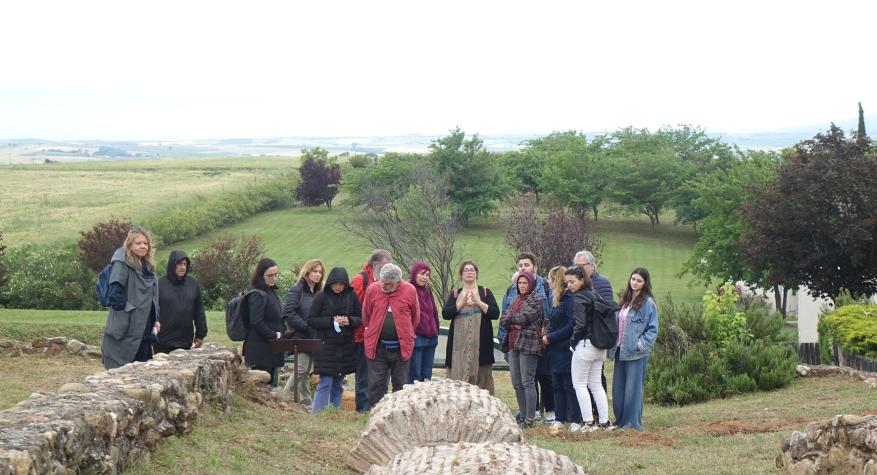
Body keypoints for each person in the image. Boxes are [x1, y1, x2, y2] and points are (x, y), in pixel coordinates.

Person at [499, 253, 553, 419]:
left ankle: (531, 416)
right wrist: (512, 322)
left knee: (529, 381)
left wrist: (513, 320)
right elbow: (504, 319)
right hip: (513, 343)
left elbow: (524, 318)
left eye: (525, 283)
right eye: (519, 283)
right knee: (517, 383)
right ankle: (523, 415)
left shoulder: (536, 298)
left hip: (529, 343)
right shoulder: (514, 297)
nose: (521, 285)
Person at [101, 227, 161, 370]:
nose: (142, 246)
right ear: (129, 245)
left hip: (145, 326)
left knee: (141, 367)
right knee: (122, 367)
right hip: (128, 326)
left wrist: (156, 318)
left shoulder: (148, 267)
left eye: (145, 243)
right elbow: (115, 295)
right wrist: (129, 314)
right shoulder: (122, 264)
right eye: (138, 243)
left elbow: (153, 297)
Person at [361, 263, 420, 406]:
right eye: (382, 282)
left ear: (397, 282)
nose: (383, 286)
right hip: (378, 347)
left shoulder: (410, 290)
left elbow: (415, 316)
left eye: (388, 284)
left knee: (401, 384)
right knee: (376, 384)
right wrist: (370, 330)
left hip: (401, 348)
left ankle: (396, 413)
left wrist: (407, 332)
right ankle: (376, 412)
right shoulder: (373, 289)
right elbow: (366, 314)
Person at [308, 267, 361, 413]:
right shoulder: (321, 296)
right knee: (325, 381)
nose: (338, 286)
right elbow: (311, 320)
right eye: (336, 283)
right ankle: (318, 414)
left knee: (338, 383)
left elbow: (360, 318)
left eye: (341, 284)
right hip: (326, 346)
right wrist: (332, 321)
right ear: (330, 283)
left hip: (345, 347)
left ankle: (334, 413)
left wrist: (349, 320)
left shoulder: (352, 296)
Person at [442, 260, 500, 392]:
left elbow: (495, 314)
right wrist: (461, 304)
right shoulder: (455, 294)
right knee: (457, 382)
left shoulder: (485, 292)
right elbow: (446, 314)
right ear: (461, 274)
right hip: (458, 348)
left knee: (483, 380)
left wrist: (479, 302)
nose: (469, 272)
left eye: (472, 270)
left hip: (481, 346)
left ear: (476, 273)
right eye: (466, 270)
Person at [612, 267, 659, 431]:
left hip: (636, 353)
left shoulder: (648, 303)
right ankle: (620, 421)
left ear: (645, 283)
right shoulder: (625, 300)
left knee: (633, 389)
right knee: (618, 388)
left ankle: (632, 424)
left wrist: (641, 345)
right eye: (633, 279)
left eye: (639, 280)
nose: (635, 283)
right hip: (620, 350)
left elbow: (653, 329)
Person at [568, 266, 614, 431]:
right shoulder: (595, 294)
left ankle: (588, 422)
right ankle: (604, 421)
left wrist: (573, 342)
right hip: (600, 346)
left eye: (572, 281)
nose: (569, 285)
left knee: (579, 385)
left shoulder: (579, 298)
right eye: (567, 282)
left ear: (582, 280)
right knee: (596, 384)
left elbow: (580, 324)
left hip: (585, 344)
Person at [350, 249, 392, 412]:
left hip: (383, 337)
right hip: (363, 337)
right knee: (364, 375)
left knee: (382, 375)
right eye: (385, 264)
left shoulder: (387, 281)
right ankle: (363, 409)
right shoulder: (360, 280)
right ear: (375, 264)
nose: (388, 267)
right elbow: (355, 308)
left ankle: (379, 408)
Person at [542, 266, 582, 430]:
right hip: (555, 349)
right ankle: (560, 417)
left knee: (568, 385)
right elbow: (553, 320)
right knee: (557, 384)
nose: (547, 281)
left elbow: (571, 326)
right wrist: (546, 333)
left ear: (556, 280)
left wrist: (551, 337)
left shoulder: (570, 300)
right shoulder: (557, 300)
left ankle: (575, 419)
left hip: (566, 349)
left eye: (549, 278)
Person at [279, 259, 324, 405]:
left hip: (313, 336)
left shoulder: (318, 293)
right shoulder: (297, 289)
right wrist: (305, 326)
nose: (318, 274)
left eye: (320, 272)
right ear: (307, 272)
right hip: (300, 335)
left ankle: (306, 400)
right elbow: (288, 312)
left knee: (306, 370)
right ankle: (283, 396)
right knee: (301, 369)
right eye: (315, 271)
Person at [154, 250, 207, 355]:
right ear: (172, 265)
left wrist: (200, 334)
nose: (183, 267)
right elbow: (152, 310)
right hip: (163, 341)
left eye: (185, 264)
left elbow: (199, 310)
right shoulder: (159, 284)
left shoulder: (193, 284)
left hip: (185, 340)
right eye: (179, 264)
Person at [243, 258, 285, 387]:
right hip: (259, 350)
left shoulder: (272, 292)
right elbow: (256, 322)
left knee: (270, 387)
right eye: (270, 275)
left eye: (275, 275)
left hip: (271, 349)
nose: (274, 278)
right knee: (261, 388)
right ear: (261, 276)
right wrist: (274, 335)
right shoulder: (256, 295)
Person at [408, 262, 439, 383]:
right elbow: (405, 314)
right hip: (417, 338)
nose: (424, 277)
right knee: (415, 377)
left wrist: (436, 330)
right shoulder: (409, 289)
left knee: (426, 377)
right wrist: (411, 333)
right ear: (414, 274)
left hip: (431, 338)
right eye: (421, 274)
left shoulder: (428, 290)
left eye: (427, 275)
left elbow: (434, 311)